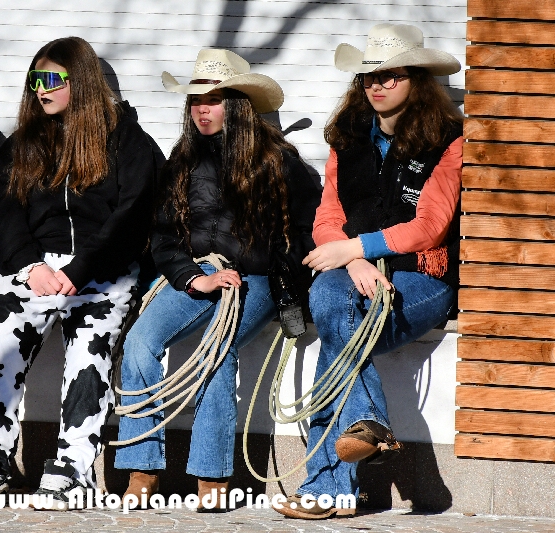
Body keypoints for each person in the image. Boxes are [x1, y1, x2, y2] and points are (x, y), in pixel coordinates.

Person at [114, 49, 321, 510]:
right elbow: (164, 236)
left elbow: (309, 229)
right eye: (195, 101)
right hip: (198, 274)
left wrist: (267, 267)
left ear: (238, 104)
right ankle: (142, 466)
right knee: (140, 342)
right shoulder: (181, 161)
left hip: (256, 280)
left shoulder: (278, 162)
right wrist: (193, 277)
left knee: (218, 349)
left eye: (214, 99)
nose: (202, 110)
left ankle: (211, 476)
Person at [275, 24, 463, 519]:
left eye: (390, 76)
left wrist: (357, 247)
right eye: (368, 78)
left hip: (420, 277)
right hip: (353, 269)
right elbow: (326, 219)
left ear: (416, 81)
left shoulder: (449, 142)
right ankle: (368, 424)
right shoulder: (347, 140)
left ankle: (327, 490)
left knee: (335, 348)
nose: (376, 86)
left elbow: (431, 226)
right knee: (331, 301)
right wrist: (354, 259)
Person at [0, 36, 158, 509]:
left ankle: (74, 468)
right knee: (1, 346)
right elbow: (3, 208)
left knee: (88, 356)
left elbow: (133, 215)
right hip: (35, 267)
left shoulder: (129, 142)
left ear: (82, 82)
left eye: (52, 80)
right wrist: (30, 265)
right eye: (36, 80)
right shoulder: (23, 144)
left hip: (102, 269)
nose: (41, 90)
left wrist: (85, 267)